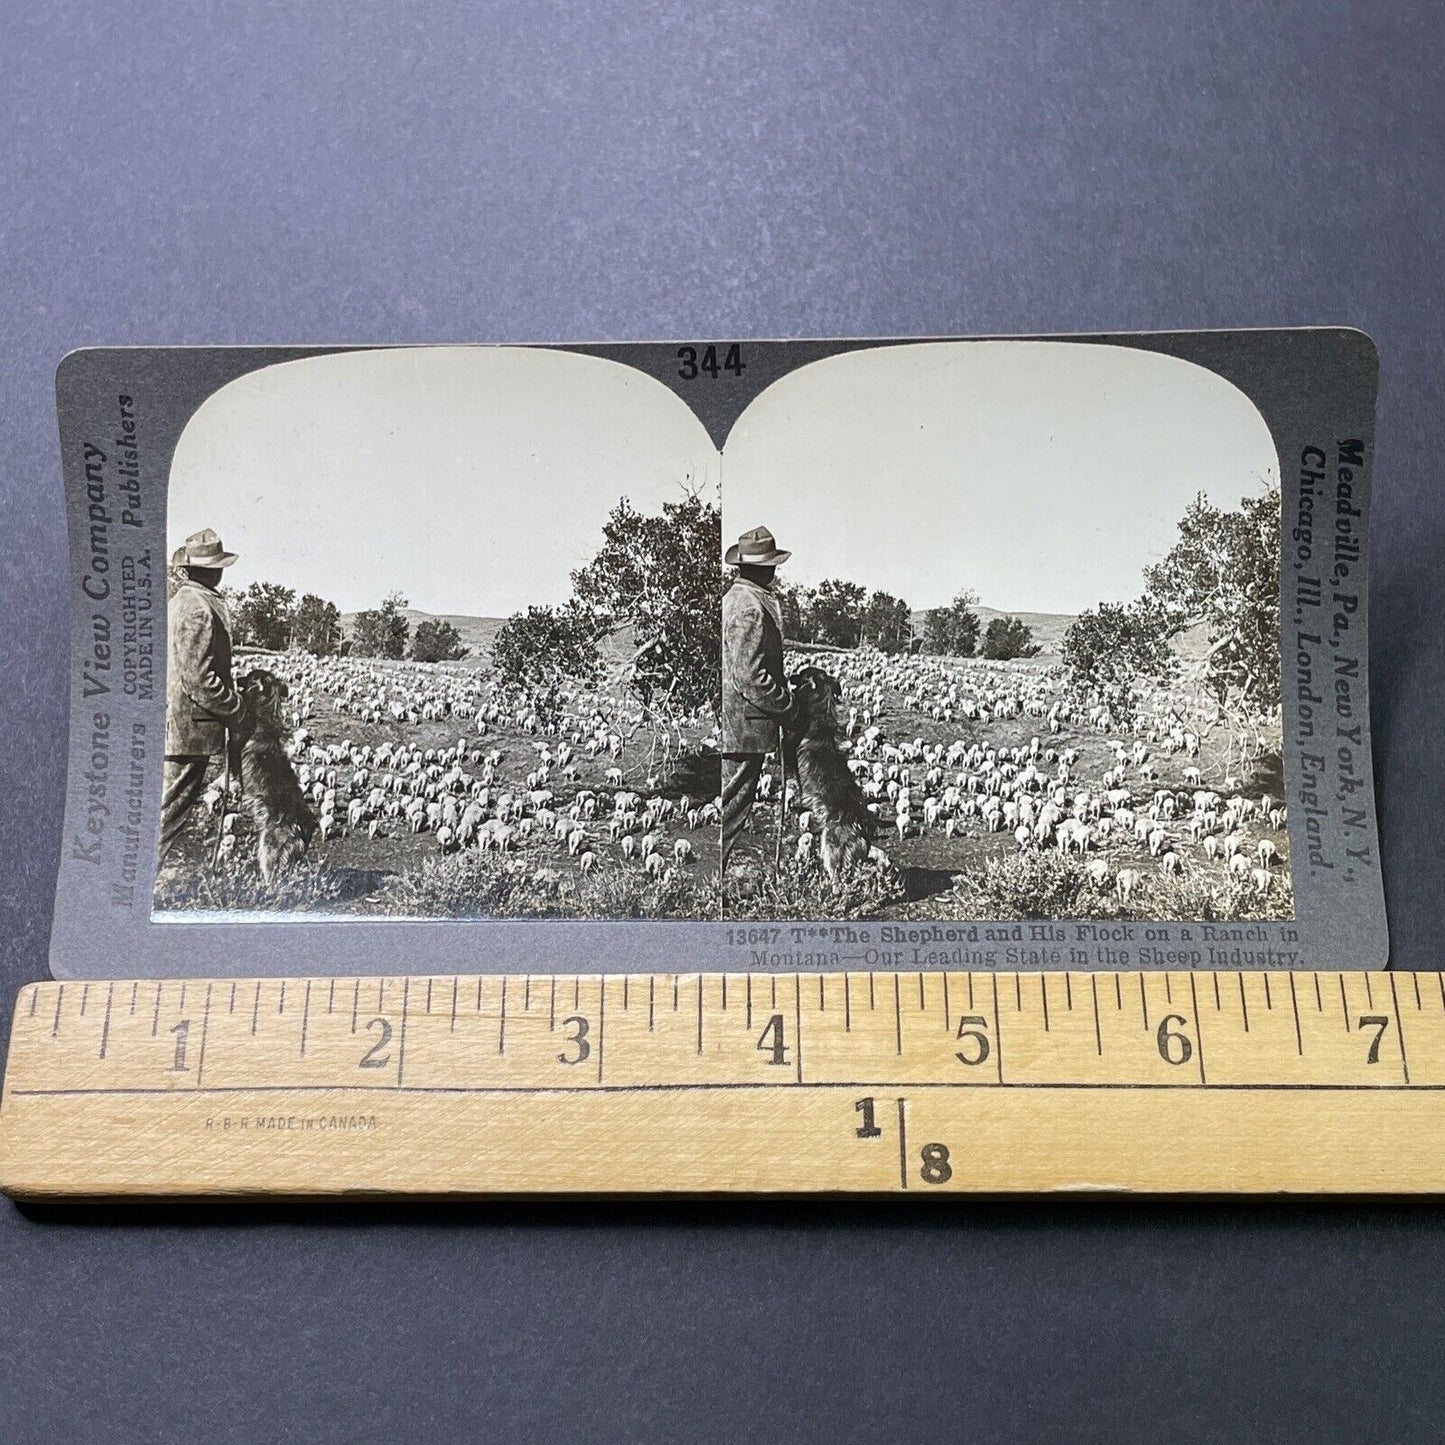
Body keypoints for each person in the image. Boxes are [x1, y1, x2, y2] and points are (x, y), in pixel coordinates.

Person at [160, 528, 244, 861]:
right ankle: (144, 891)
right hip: (188, 729)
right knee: (169, 814)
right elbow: (199, 679)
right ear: (213, 570)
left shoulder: (181, 600)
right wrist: (236, 709)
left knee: (168, 809)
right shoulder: (197, 608)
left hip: (178, 724)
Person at [721, 525, 798, 873]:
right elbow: (750, 676)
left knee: (729, 806)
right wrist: (787, 705)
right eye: (771, 565)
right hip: (744, 728)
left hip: (737, 725)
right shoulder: (750, 608)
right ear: (763, 568)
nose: (774, 571)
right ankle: (714, 889)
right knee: (730, 810)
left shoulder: (735, 599)